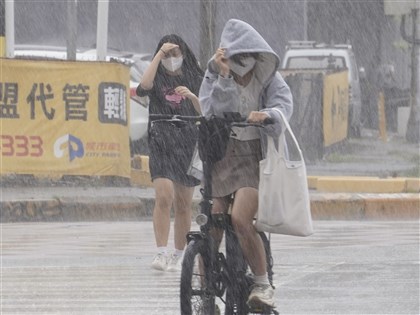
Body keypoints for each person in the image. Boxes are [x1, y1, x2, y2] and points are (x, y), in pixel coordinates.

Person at [198, 19, 293, 308]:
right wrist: (223, 77)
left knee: (241, 218)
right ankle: (205, 291)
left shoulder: (268, 77)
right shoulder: (215, 75)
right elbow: (213, 109)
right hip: (220, 155)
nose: (243, 66)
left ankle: (262, 283)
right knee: (211, 221)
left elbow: (283, 106)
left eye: (246, 59)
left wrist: (267, 115)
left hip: (253, 157)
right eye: (235, 60)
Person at [136, 34, 204, 272]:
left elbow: (205, 109)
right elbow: (143, 87)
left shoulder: (195, 77)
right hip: (161, 139)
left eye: (175, 54)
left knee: (184, 203)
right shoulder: (157, 76)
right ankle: (160, 252)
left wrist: (192, 97)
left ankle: (179, 254)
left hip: (187, 140)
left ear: (184, 55)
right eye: (168, 55)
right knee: (164, 196)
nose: (172, 59)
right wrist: (158, 57)